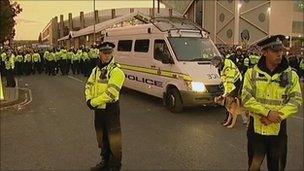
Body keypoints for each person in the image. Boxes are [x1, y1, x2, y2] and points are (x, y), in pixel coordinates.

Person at [241, 35, 302, 170]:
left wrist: (275, 117)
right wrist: (268, 113)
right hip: (256, 132)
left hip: (278, 134)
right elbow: (246, 98)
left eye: (281, 51)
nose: (280, 54)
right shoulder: (251, 74)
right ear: (265, 52)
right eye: (275, 51)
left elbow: (296, 100)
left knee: (277, 167)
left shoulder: (291, 75)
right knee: (253, 167)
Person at [85, 42, 125, 171]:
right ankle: (105, 161)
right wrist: (88, 99)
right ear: (100, 54)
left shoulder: (117, 71)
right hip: (98, 110)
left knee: (114, 140)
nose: (107, 56)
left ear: (112, 54)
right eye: (104, 53)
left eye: (109, 53)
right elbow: (88, 85)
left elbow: (111, 94)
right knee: (102, 138)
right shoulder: (96, 70)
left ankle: (114, 166)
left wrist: (93, 102)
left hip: (110, 109)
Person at [211, 55, 245, 127]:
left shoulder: (228, 67)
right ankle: (231, 118)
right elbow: (224, 80)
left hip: (236, 82)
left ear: (221, 62)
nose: (217, 67)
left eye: (218, 66)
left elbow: (230, 82)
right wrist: (225, 91)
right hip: (230, 82)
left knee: (232, 101)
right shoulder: (221, 67)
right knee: (229, 102)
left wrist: (226, 94)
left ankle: (240, 116)